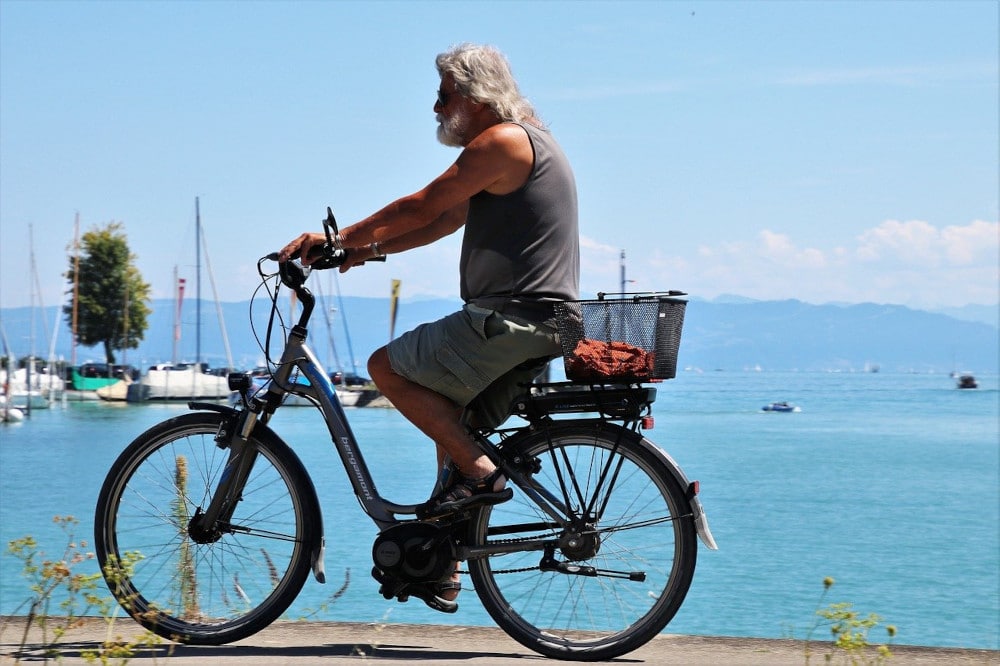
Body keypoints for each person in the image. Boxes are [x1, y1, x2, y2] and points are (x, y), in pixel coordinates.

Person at [279, 42, 579, 608]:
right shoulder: (521, 147)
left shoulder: (504, 141)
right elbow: (443, 220)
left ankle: (485, 475)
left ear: (471, 95)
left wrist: (338, 239)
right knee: (450, 420)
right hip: (543, 321)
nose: (436, 108)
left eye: (444, 96)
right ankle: (444, 566)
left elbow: (421, 203)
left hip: (513, 316)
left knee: (384, 367)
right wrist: (364, 254)